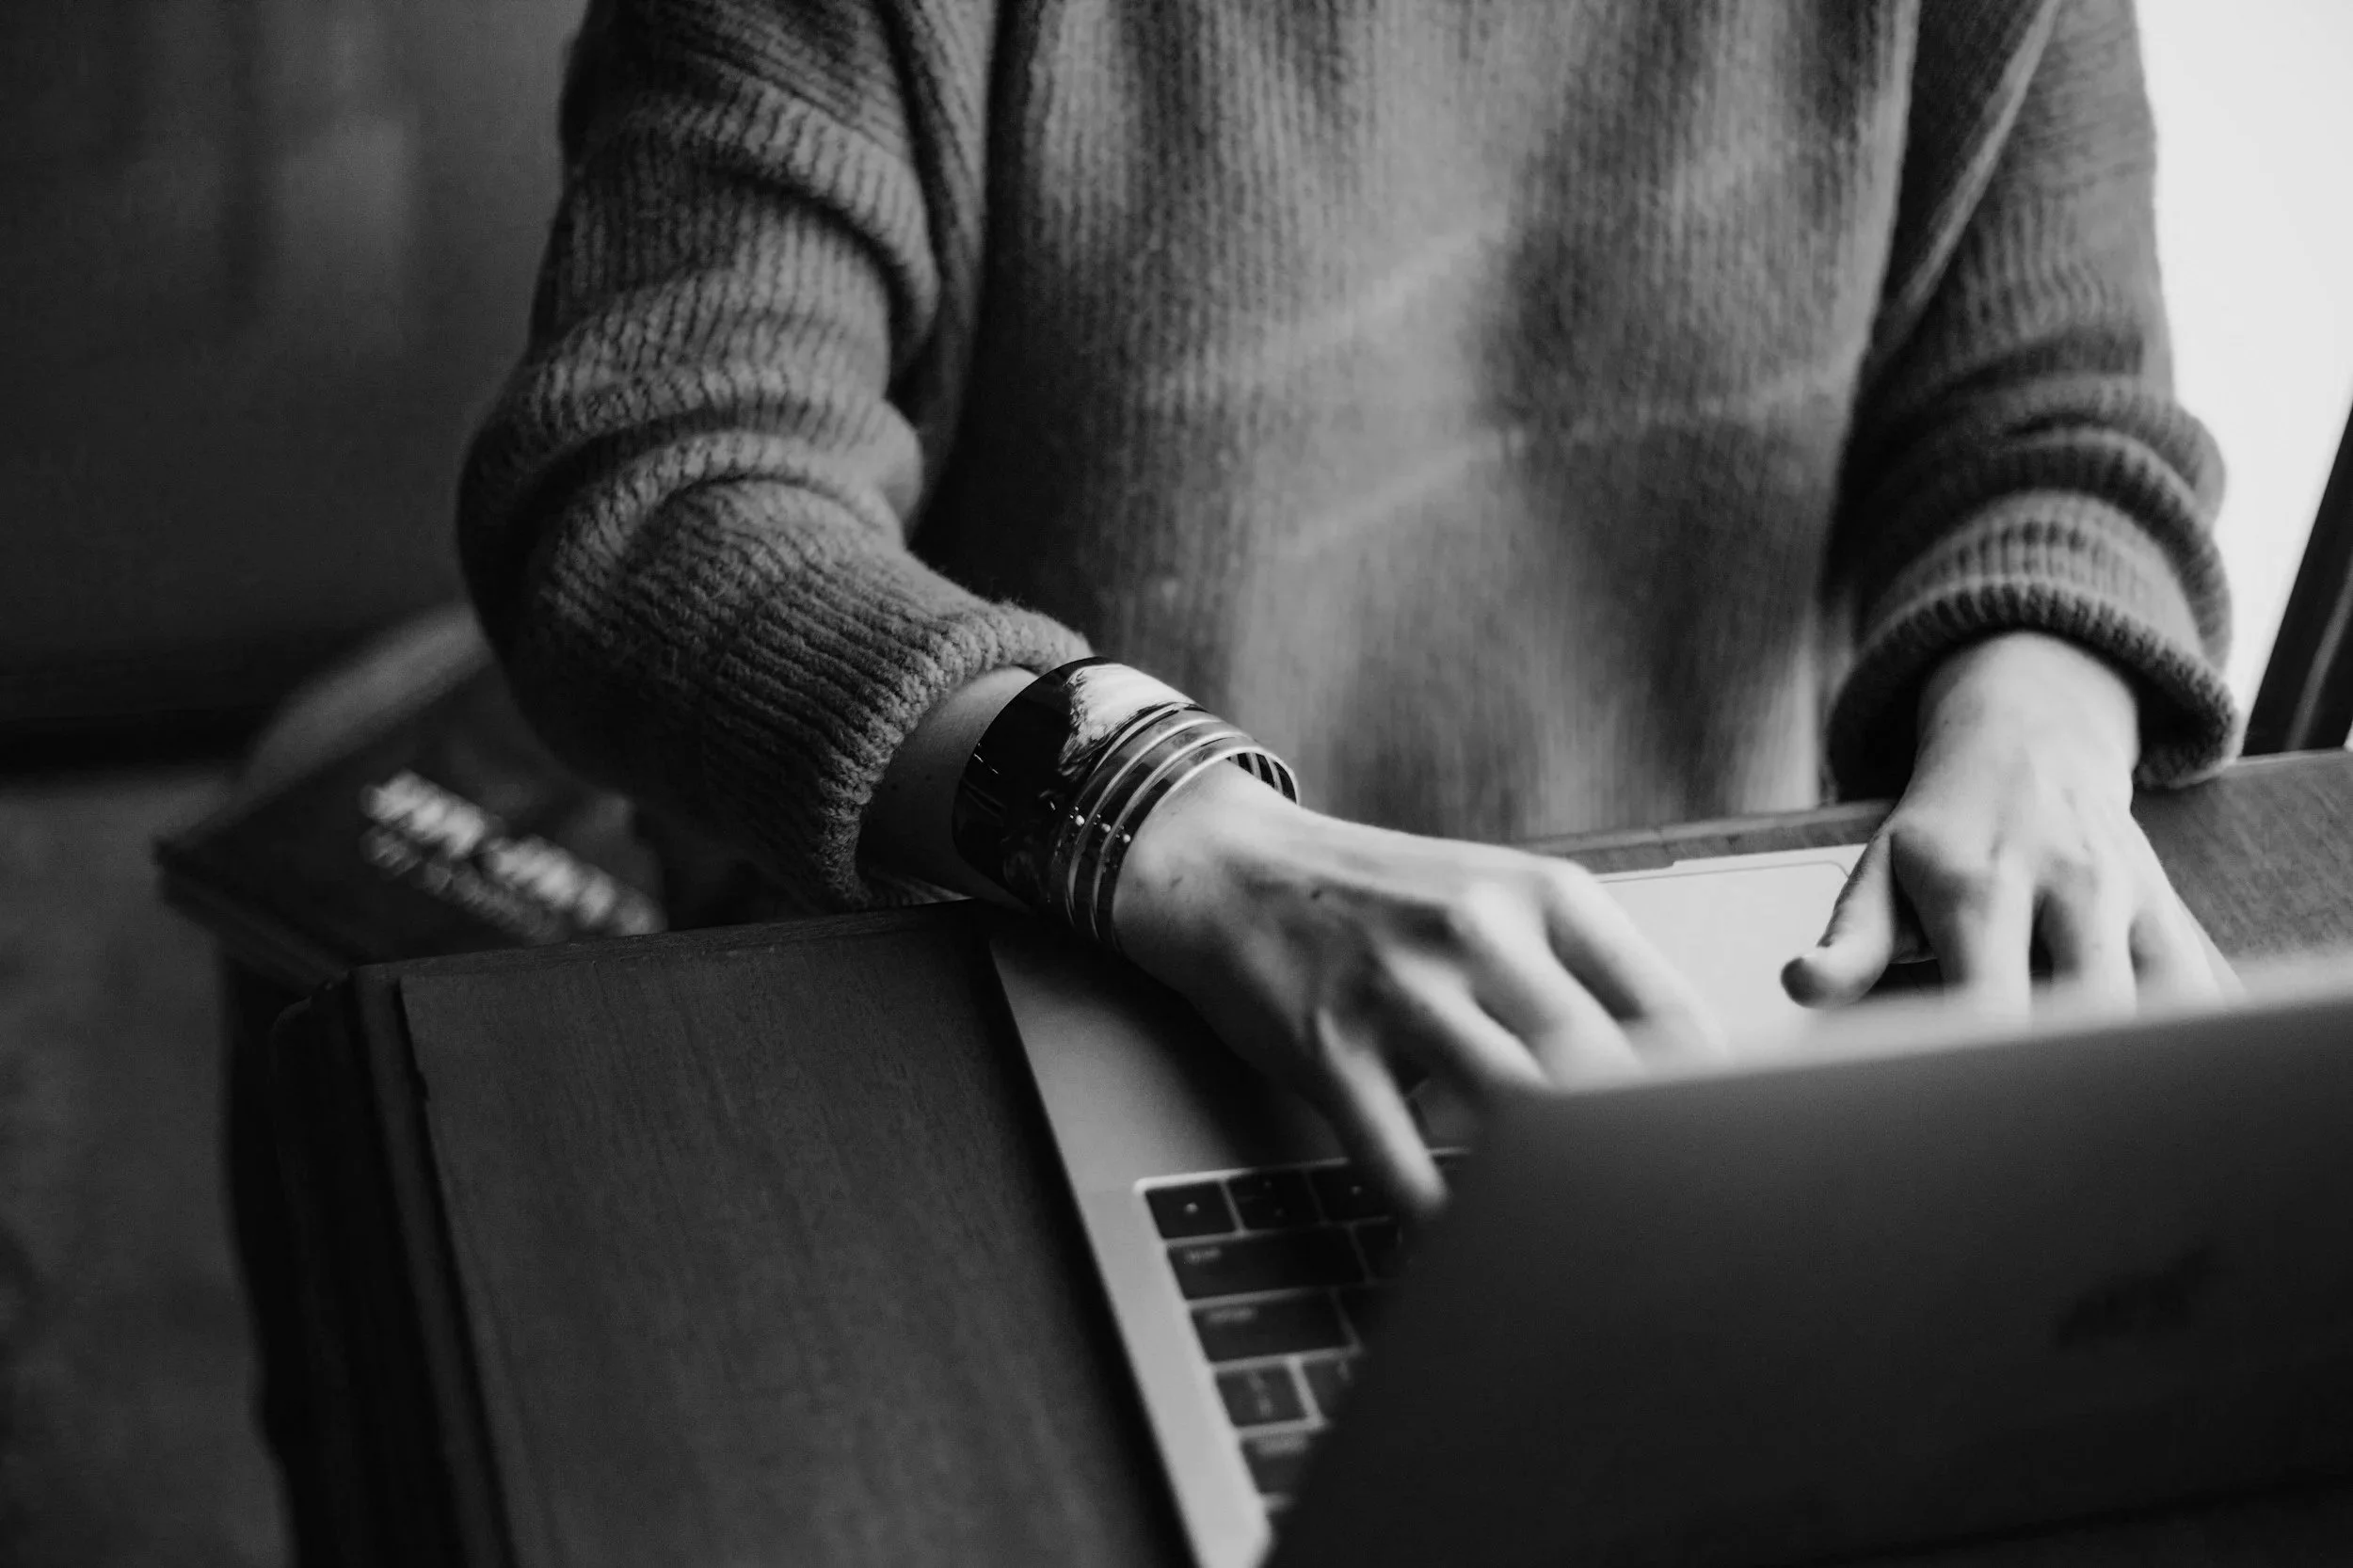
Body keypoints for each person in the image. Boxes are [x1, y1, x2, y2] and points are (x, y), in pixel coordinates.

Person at [459, 0, 2238, 1215]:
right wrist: (1162, 823)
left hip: (1701, 1011)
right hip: (1002, 985)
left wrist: (2043, 716)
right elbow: (655, 490)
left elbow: (2055, 419)